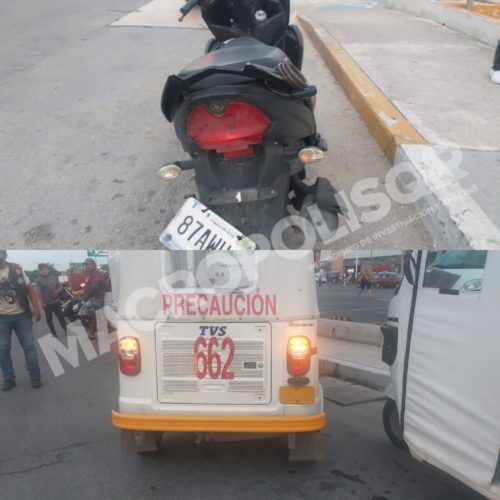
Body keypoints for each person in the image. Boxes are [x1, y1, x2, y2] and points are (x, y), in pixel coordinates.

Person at [0, 250, 42, 391]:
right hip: (1, 318)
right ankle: (8, 378)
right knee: (3, 349)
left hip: (22, 316)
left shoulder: (17, 269)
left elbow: (29, 289)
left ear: (5, 255)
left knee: (29, 347)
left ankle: (35, 376)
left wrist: (36, 308)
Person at [35, 263, 67, 337]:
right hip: (47, 303)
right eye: (42, 270)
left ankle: (66, 330)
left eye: (46, 269)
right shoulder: (38, 280)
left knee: (61, 317)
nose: (45, 271)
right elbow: (38, 292)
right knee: (49, 319)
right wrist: (42, 302)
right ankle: (53, 333)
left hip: (56, 302)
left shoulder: (54, 278)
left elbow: (60, 287)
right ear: (40, 271)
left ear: (48, 270)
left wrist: (56, 292)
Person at [78, 258, 105, 340]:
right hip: (93, 298)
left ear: (93, 265)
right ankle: (91, 333)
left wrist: (85, 297)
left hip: (96, 299)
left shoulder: (96, 273)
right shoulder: (92, 274)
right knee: (91, 317)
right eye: (86, 265)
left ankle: (98, 319)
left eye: (89, 264)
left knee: (81, 313)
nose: (87, 266)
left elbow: (94, 286)